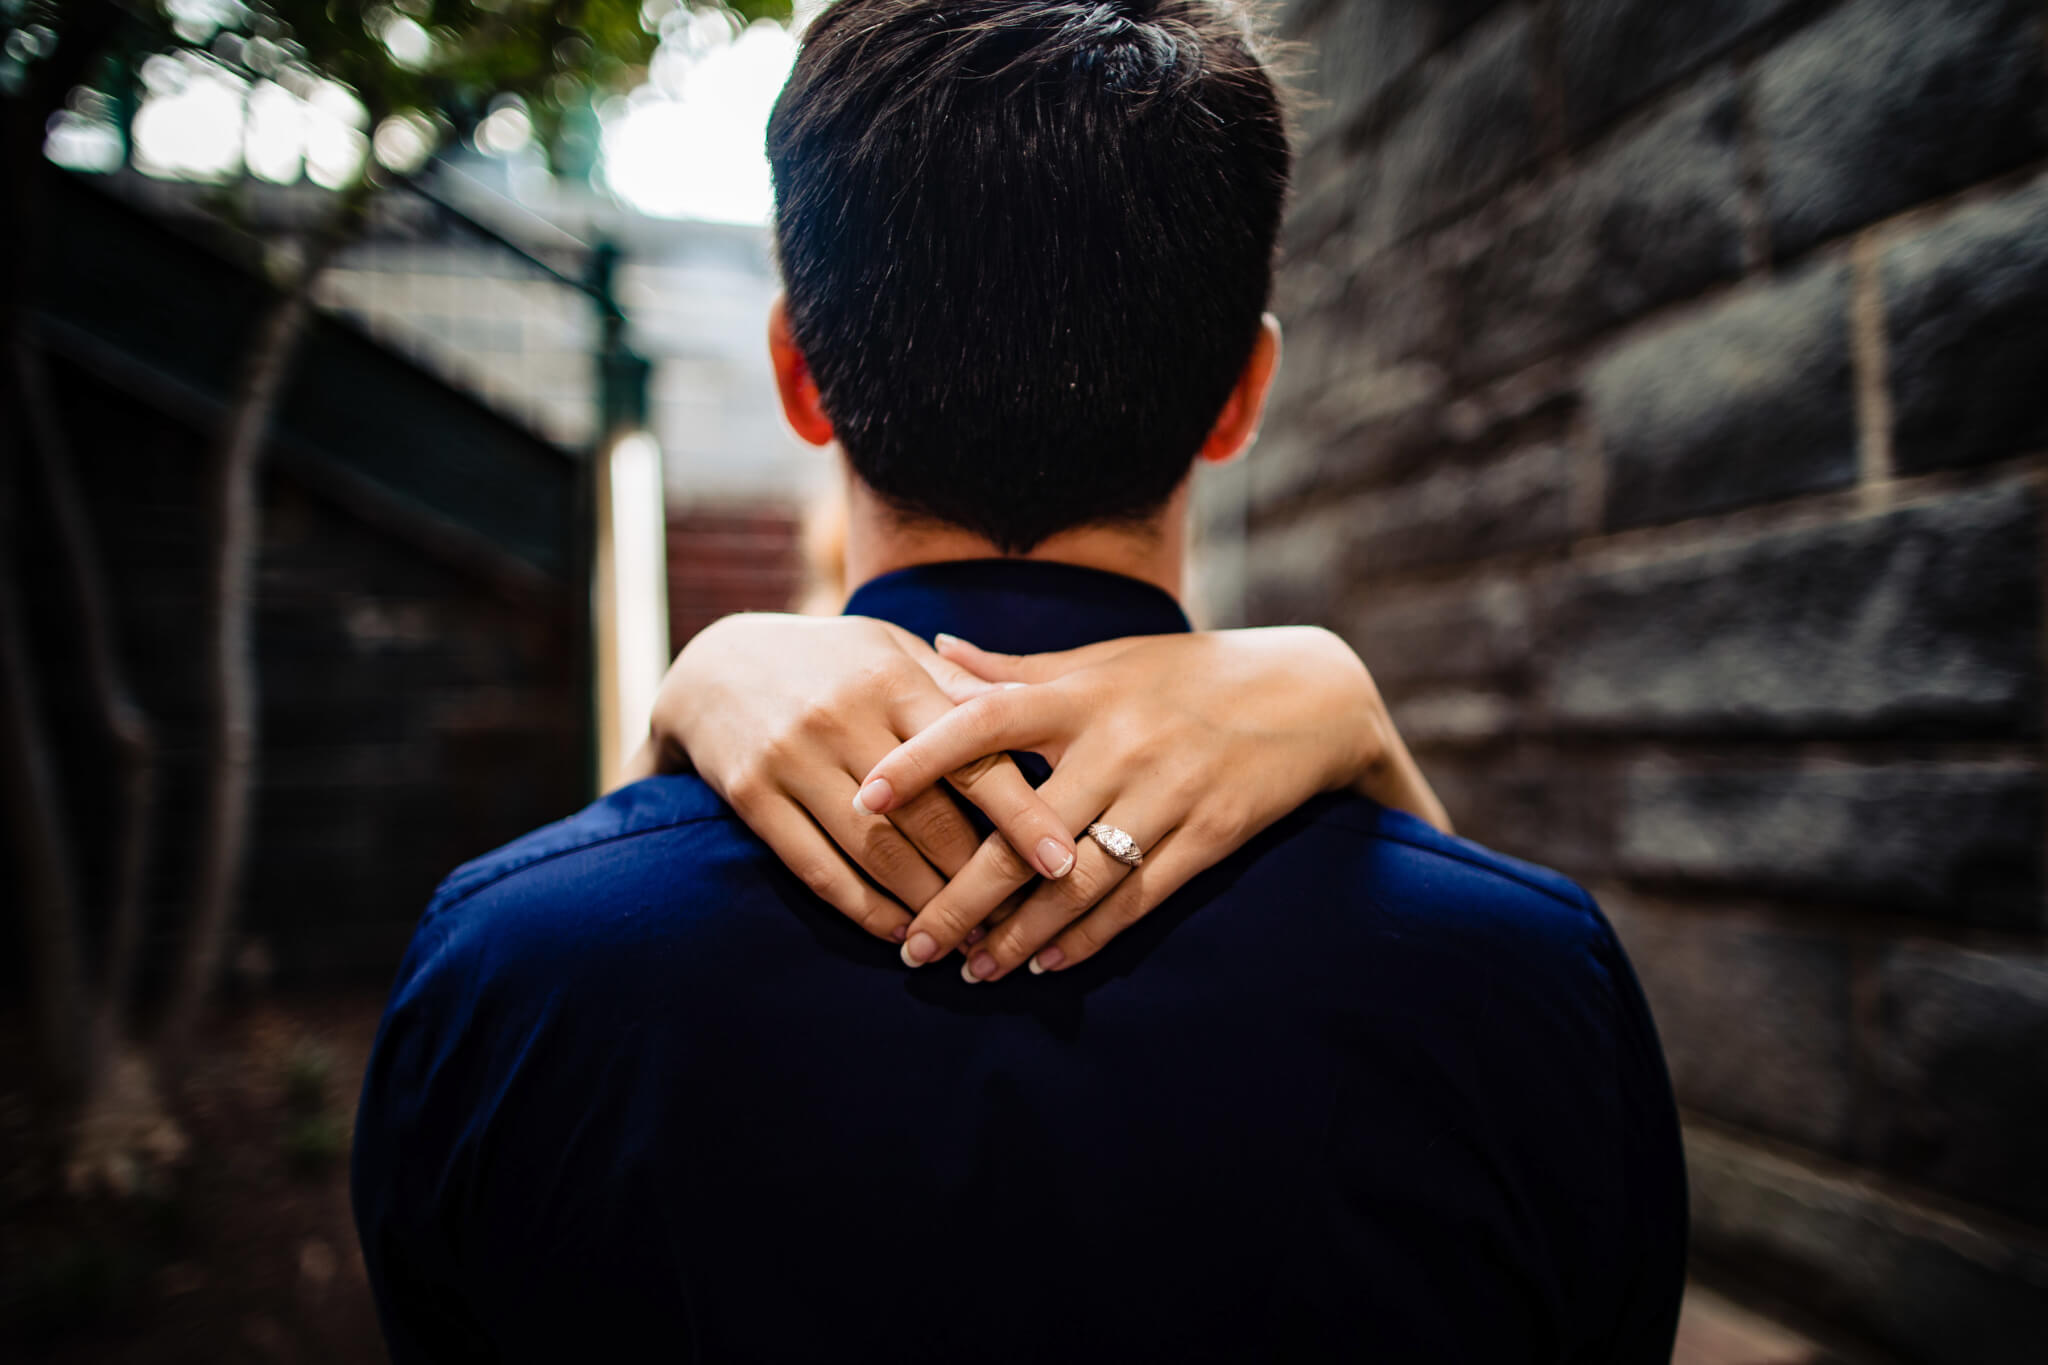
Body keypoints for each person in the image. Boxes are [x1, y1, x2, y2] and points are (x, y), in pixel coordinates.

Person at [351, 0, 1688, 1358]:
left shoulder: (503, 961)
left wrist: (664, 723)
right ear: (1244, 394)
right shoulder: (1532, 977)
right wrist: (1367, 738)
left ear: (798, 376)